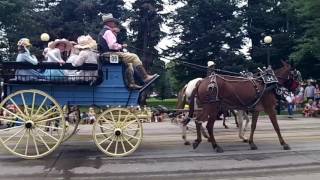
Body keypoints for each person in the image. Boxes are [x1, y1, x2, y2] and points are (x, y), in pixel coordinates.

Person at [97, 13, 157, 89]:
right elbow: (112, 45)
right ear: (108, 23)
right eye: (112, 22)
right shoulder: (108, 32)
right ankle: (145, 77)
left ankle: (131, 83)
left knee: (129, 64)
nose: (114, 23)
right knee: (134, 57)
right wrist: (121, 46)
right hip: (109, 54)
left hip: (106, 55)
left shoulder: (103, 32)